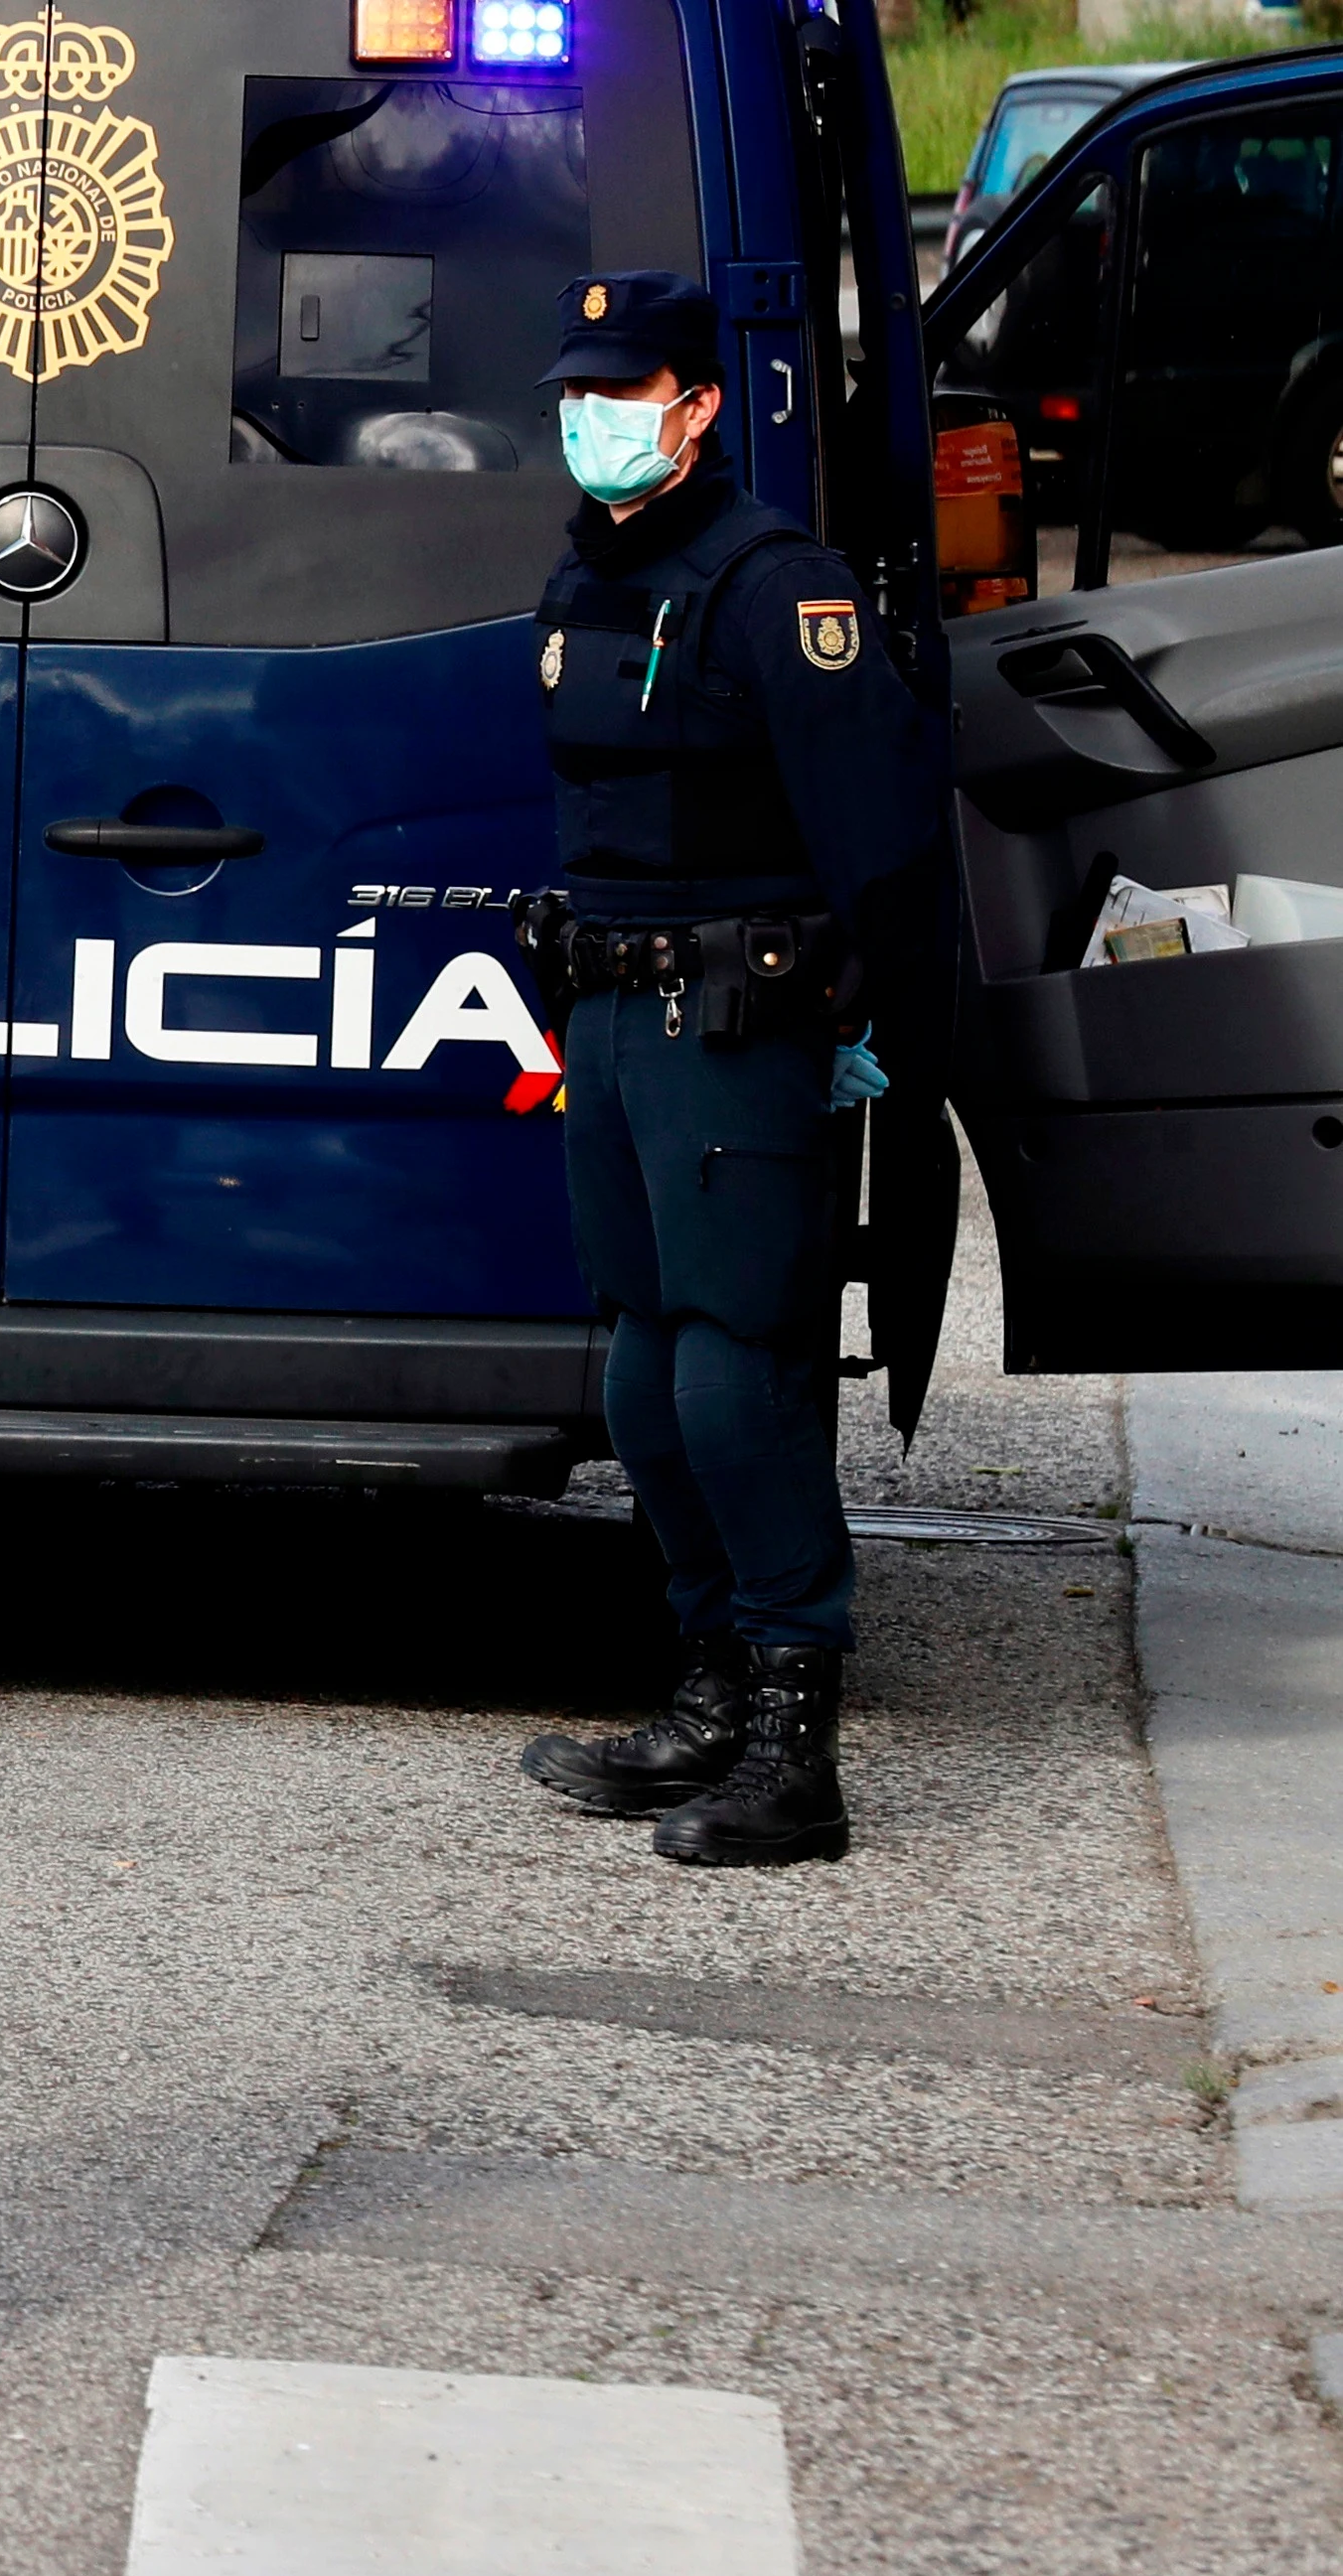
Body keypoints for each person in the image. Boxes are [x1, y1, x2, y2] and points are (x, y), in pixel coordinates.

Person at [511, 271, 940, 1867]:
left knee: (730, 1368)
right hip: (613, 1012)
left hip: (738, 1021)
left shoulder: (776, 585)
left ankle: (789, 1739)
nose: (590, 418)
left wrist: (878, 1027)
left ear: (696, 405)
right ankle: (699, 1691)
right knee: (635, 1368)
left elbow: (884, 837)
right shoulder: (588, 577)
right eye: (576, 392)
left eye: (624, 393)